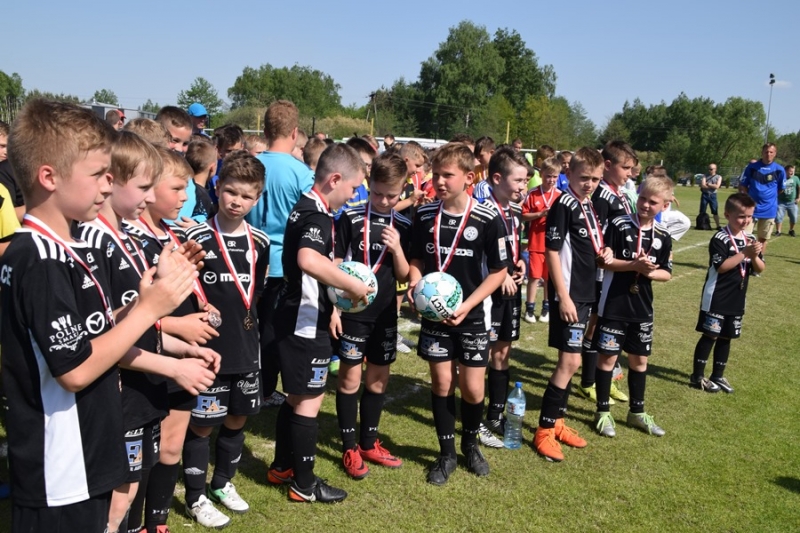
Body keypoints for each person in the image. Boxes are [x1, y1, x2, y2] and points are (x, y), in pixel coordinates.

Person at [2, 99, 197, 532]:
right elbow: (74, 370)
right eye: (97, 174)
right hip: (60, 466)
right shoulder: (39, 258)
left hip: (86, 450)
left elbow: (93, 331)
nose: (109, 185)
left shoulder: (66, 248)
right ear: (49, 177)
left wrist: (140, 302)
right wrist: (149, 310)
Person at [78, 132, 220, 533]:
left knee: (128, 489)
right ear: (111, 181)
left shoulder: (124, 238)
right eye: (145, 186)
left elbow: (136, 321)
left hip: (140, 385)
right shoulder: (95, 241)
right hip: (119, 389)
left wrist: (184, 349)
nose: (151, 196)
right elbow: (107, 335)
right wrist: (174, 366)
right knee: (113, 498)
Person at [268, 144, 368, 503]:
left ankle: (282, 467)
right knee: (309, 401)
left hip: (300, 315)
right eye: (353, 188)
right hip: (304, 322)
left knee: (296, 397)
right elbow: (308, 260)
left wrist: (334, 307)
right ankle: (305, 485)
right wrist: (351, 285)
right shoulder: (317, 216)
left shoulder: (307, 207)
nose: (354, 195)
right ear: (335, 179)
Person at [408, 142, 508, 485]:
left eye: (447, 175)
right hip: (435, 317)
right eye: (436, 174)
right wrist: (415, 284)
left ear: (469, 177)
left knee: (473, 389)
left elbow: (498, 271)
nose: (439, 181)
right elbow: (416, 259)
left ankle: (470, 444)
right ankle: (446, 453)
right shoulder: (424, 216)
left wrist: (466, 306)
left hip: (473, 315)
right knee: (442, 383)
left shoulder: (488, 218)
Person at [180, 152, 270, 527]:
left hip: (246, 347)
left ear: (257, 198)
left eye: (247, 196)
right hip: (208, 350)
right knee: (203, 424)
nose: (237, 201)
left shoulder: (260, 242)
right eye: (231, 191)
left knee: (237, 417)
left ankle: (221, 483)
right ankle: (195, 496)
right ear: (218, 188)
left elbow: (256, 292)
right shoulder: (195, 237)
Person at [330, 152, 411, 478]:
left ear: (403, 189)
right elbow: (335, 265)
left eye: (392, 195)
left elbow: (404, 274)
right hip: (353, 313)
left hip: (385, 315)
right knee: (349, 379)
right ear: (369, 183)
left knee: (378, 379)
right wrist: (335, 308)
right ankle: (350, 447)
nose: (383, 200)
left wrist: (398, 249)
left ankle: (368, 442)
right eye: (377, 193)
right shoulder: (349, 217)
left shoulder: (404, 224)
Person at [532, 147, 609, 462]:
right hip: (570, 295)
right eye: (584, 177)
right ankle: (544, 430)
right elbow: (552, 251)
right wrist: (562, 297)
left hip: (586, 292)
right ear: (569, 174)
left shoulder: (587, 204)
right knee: (569, 363)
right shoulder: (563, 204)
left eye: (595, 179)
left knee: (573, 362)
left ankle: (558, 423)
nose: (589, 184)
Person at [245, 100, 315, 409]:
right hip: (281, 266)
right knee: (272, 330)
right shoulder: (301, 173)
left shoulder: (251, 165)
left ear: (265, 130)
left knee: (248, 325)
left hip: (246, 259)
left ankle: (246, 383)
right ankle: (264, 389)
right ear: (295, 132)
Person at [593, 175, 674, 439]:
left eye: (653, 202)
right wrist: (633, 265)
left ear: (664, 205)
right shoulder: (619, 224)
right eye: (642, 199)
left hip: (642, 307)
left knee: (639, 361)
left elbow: (667, 273)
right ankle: (602, 412)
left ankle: (637, 412)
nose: (646, 205)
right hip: (614, 304)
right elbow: (604, 261)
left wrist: (649, 272)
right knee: (607, 358)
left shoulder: (663, 236)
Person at [577, 140, 637, 405]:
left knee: (607, 326)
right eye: (626, 168)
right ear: (609, 165)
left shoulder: (619, 193)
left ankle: (606, 378)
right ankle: (588, 382)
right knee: (596, 325)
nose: (630, 174)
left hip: (618, 271)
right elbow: (597, 235)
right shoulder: (601, 196)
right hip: (603, 271)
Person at [476, 147, 528, 448]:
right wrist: (501, 273)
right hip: (488, 293)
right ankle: (473, 413)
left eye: (525, 180)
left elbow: (514, 245)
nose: (523, 186)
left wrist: (520, 262)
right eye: (518, 180)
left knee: (503, 352)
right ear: (497, 178)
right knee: (481, 353)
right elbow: (478, 255)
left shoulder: (516, 211)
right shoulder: (482, 211)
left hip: (510, 292)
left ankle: (495, 414)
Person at [690, 193, 764, 393]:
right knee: (711, 335)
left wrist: (754, 256)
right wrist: (744, 253)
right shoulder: (720, 238)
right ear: (727, 215)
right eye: (741, 216)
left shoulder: (750, 239)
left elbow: (760, 268)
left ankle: (718, 375)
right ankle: (697, 376)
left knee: (727, 336)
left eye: (749, 216)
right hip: (717, 296)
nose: (746, 221)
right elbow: (722, 267)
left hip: (737, 297)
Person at [521, 157, 561, 324]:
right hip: (536, 243)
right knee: (534, 277)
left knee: (549, 278)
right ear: (541, 174)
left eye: (554, 176)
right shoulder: (533, 193)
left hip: (553, 245)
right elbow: (523, 215)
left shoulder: (560, 195)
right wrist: (540, 214)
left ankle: (546, 308)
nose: (551, 180)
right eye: (548, 176)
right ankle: (529, 309)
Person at [739, 143, 786, 254]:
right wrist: (750, 199)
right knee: (745, 236)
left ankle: (758, 260)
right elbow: (744, 185)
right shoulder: (752, 167)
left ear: (775, 154)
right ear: (762, 153)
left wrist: (768, 198)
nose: (768, 154)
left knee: (762, 239)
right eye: (766, 152)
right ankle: (745, 260)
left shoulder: (779, 170)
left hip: (769, 209)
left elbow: (781, 189)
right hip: (751, 209)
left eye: (771, 152)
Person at [774, 165, 799, 237]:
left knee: (794, 217)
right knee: (778, 217)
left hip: (792, 202)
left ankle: (791, 230)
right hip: (781, 201)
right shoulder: (780, 177)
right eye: (790, 171)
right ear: (785, 171)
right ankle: (778, 231)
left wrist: (798, 197)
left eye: (793, 171)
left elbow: (799, 187)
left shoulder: (795, 178)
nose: (792, 173)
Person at [471, 136, 496, 200]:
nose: (478, 158)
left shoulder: (500, 170)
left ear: (491, 153)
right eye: (476, 156)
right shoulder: (475, 170)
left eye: (481, 155)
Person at [700, 163, 722, 230]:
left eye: (711, 169)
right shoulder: (705, 176)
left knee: (715, 211)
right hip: (705, 195)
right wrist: (712, 186)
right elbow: (703, 185)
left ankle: (718, 226)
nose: (709, 170)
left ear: (715, 169)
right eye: (709, 169)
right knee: (702, 211)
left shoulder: (718, 177)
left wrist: (708, 184)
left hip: (713, 196)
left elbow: (717, 186)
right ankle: (701, 225)